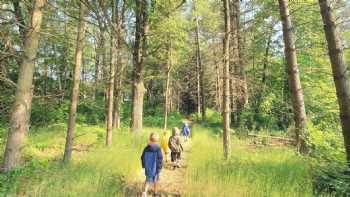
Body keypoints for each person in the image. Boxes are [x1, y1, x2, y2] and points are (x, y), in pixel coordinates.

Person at [141, 133, 163, 197]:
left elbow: (142, 157)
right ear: (157, 141)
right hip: (155, 169)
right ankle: (155, 193)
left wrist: (144, 165)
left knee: (147, 180)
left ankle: (144, 192)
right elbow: (160, 159)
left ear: (150, 139)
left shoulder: (146, 148)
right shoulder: (158, 148)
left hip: (148, 169)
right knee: (155, 181)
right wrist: (159, 168)